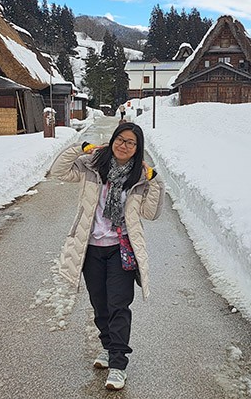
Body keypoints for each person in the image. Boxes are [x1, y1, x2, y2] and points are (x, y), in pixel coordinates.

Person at [49, 122, 164, 391]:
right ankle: (108, 348)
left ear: (138, 149)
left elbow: (151, 213)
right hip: (91, 248)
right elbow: (58, 170)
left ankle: (118, 364)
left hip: (121, 249)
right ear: (112, 140)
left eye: (131, 143)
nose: (124, 145)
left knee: (118, 305)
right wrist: (81, 148)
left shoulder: (139, 178)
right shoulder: (92, 167)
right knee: (100, 305)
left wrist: (155, 179)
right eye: (120, 140)